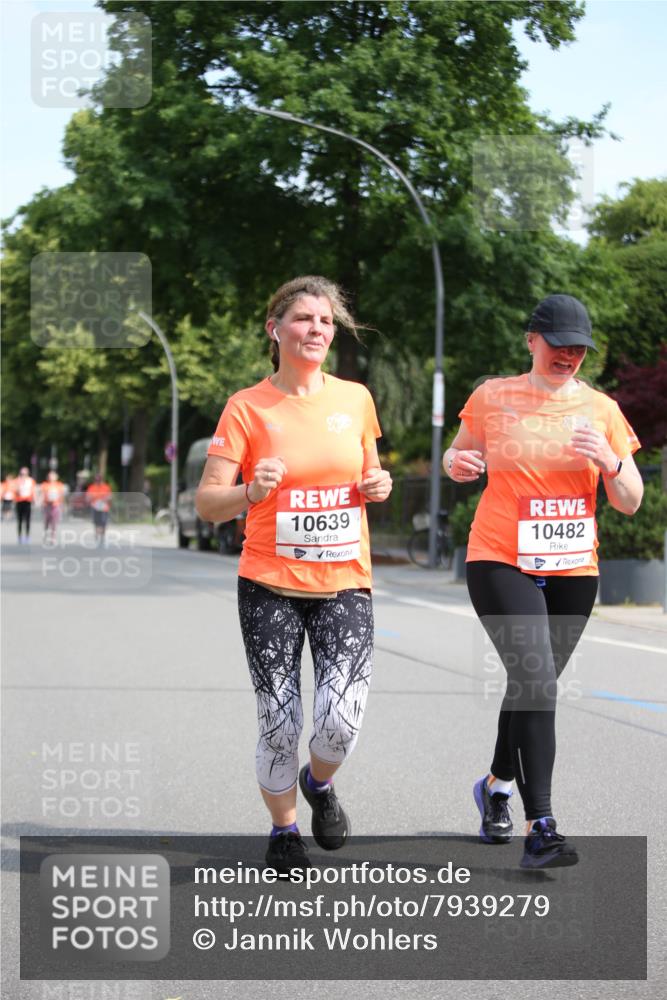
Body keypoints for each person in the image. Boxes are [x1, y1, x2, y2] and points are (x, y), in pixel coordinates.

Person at [196, 276, 392, 875]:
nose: (316, 329)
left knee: (340, 720)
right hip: (268, 585)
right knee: (279, 719)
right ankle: (284, 830)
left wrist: (377, 484)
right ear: (274, 328)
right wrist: (248, 491)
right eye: (304, 318)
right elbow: (208, 503)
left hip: (344, 582)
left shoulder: (355, 399)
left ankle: (319, 782)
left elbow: (370, 472)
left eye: (326, 321)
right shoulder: (247, 406)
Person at [444, 294, 643, 869]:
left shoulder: (603, 410)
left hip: (574, 569)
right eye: (559, 345)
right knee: (538, 682)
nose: (569, 356)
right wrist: (458, 465)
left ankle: (496, 785)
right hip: (501, 557)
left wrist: (609, 459)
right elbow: (458, 459)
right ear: (532, 339)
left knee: (532, 686)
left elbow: (630, 502)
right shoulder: (492, 396)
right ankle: (543, 827)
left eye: (579, 348)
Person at [41, 470, 67, 545]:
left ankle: (53, 538)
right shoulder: (45, 485)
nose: (51, 478)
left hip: (56, 506)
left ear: (56, 477)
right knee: (46, 522)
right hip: (47, 505)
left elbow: (62, 496)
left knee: (54, 523)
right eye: (50, 476)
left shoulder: (59, 485)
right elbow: (42, 495)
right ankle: (46, 535)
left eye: (53, 476)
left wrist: (63, 505)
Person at [86, 473, 113, 545]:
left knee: (103, 522)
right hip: (95, 507)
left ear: (101, 479)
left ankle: (102, 536)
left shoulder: (106, 487)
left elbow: (110, 497)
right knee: (96, 522)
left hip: (104, 508)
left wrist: (105, 498)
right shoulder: (91, 487)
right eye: (96, 479)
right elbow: (87, 497)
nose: (97, 481)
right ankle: (97, 535)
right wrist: (92, 497)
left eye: (99, 479)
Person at [14, 467, 36, 544]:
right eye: (22, 474)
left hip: (27, 502)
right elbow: (15, 490)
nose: (23, 475)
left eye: (25, 474)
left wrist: (34, 500)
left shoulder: (31, 481)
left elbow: (33, 491)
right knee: (19, 520)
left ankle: (27, 536)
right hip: (19, 501)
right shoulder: (17, 480)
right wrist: (19, 484)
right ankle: (19, 537)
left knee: (27, 520)